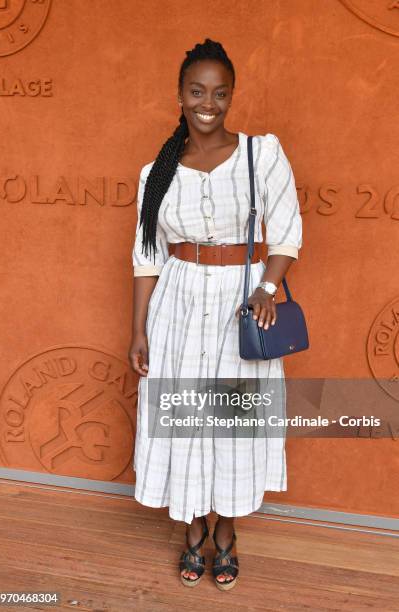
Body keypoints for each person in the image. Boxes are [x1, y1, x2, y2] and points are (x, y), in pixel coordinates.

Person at [129, 38, 302, 591]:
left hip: (241, 299)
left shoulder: (262, 154)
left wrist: (267, 287)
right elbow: (146, 255)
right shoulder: (155, 172)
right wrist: (138, 327)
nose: (208, 102)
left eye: (220, 93)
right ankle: (193, 531)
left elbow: (288, 229)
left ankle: (225, 532)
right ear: (179, 94)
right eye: (197, 91)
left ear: (232, 96)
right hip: (177, 303)